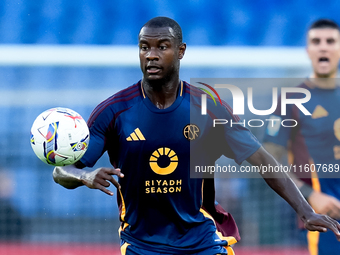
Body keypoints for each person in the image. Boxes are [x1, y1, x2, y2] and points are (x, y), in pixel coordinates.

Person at [53, 17, 340, 255]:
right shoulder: (114, 112)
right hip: (142, 244)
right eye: (144, 47)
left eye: (162, 47)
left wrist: (304, 210)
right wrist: (84, 176)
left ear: (180, 51)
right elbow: (61, 170)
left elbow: (262, 159)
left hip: (201, 238)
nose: (151, 55)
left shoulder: (207, 108)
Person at [264, 19, 340, 255]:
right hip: (320, 220)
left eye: (330, 41)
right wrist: (309, 196)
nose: (323, 47)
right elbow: (269, 162)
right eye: (316, 42)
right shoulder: (290, 101)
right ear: (308, 50)